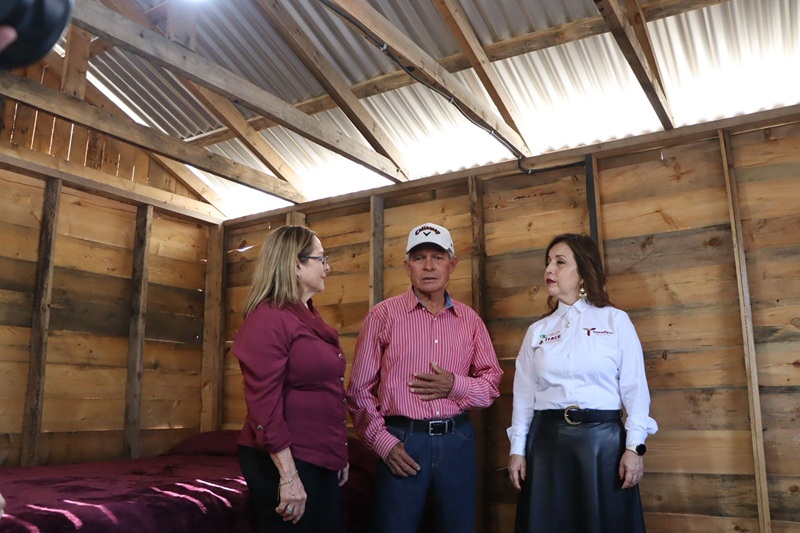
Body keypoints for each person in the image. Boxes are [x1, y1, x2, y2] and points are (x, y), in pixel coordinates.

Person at [347, 221, 503, 533]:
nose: (428, 266)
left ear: (452, 265)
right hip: (402, 441)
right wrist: (384, 444)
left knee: (458, 527)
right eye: (419, 258)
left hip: (457, 440)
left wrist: (455, 385)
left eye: (438, 257)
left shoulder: (470, 321)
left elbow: (491, 383)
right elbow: (359, 391)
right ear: (408, 267)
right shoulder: (382, 316)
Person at [507, 233, 658, 532]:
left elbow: (636, 391)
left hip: (602, 444)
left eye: (560, 262)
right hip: (547, 444)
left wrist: (634, 448)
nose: (549, 269)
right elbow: (523, 397)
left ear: (583, 271)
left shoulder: (615, 321)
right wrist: (517, 450)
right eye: (548, 262)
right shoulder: (537, 331)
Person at [232, 225, 349, 532]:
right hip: (286, 460)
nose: (327, 267)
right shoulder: (268, 318)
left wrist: (337, 454)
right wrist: (288, 476)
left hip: (319, 456)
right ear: (297, 264)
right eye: (321, 259)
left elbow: (327, 390)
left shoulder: (308, 316)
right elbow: (264, 405)